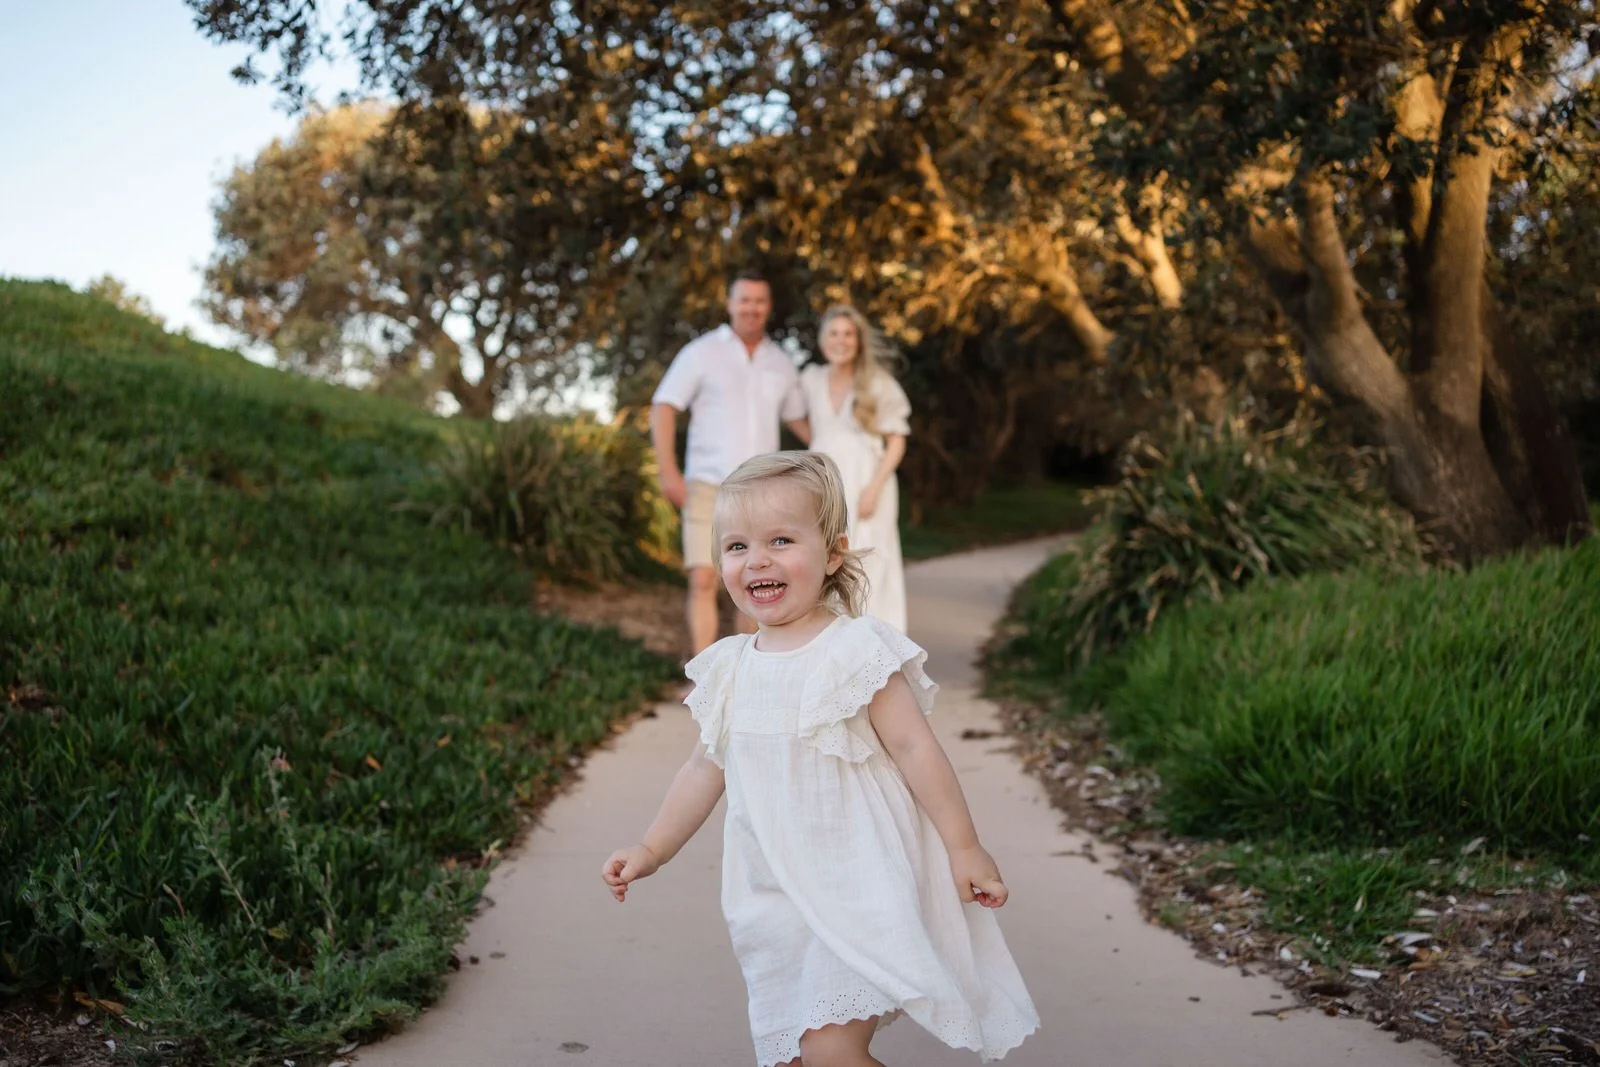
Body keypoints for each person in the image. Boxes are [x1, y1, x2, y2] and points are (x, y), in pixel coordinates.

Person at [602, 452, 1039, 1067]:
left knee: (831, 1051)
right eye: (736, 546)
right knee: (792, 1057)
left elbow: (917, 749)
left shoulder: (855, 652)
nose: (756, 560)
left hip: (859, 882)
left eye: (781, 540)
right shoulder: (730, 668)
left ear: (833, 553)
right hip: (773, 901)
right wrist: (652, 849)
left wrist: (964, 846)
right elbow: (704, 769)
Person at [651, 271, 810, 655]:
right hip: (708, 485)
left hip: (762, 489)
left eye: (759, 301)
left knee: (758, 581)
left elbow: (798, 420)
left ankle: (748, 668)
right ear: (730, 304)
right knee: (704, 580)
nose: (751, 308)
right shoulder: (701, 352)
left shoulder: (780, 362)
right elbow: (663, 406)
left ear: (768, 308)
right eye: (744, 300)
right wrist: (668, 470)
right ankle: (704, 673)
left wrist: (843, 451)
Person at [798, 305, 911, 631]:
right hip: (826, 481)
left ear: (859, 341)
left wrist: (873, 488)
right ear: (822, 340)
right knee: (828, 555)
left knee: (871, 558)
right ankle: (834, 641)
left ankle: (877, 646)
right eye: (834, 333)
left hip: (867, 481)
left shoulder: (877, 383)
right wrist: (819, 444)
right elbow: (795, 415)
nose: (841, 341)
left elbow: (897, 440)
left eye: (848, 334)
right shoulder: (811, 379)